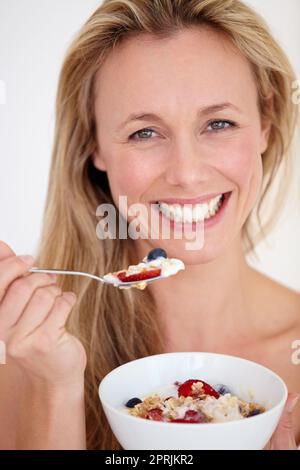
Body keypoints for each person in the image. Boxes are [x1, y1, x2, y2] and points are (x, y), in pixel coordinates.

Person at [0, 0, 299, 450]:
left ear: (266, 123)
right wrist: (52, 389)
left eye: (218, 123)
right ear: (93, 146)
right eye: (145, 132)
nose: (187, 172)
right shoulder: (26, 355)